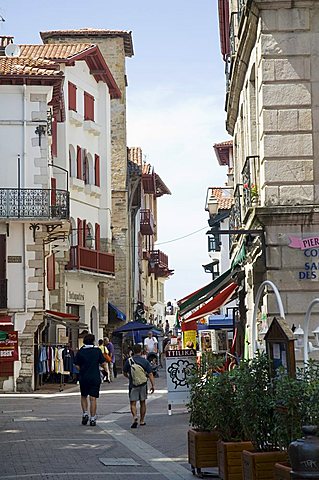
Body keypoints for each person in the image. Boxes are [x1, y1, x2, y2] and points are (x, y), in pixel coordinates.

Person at [74, 334, 108, 427]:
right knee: (93, 398)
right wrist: (105, 371)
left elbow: (76, 364)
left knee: (84, 396)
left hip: (84, 377)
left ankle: (85, 413)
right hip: (94, 377)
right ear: (93, 341)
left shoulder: (81, 351)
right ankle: (93, 418)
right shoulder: (97, 351)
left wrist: (82, 370)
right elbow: (104, 363)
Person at [123, 343, 155, 428]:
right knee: (143, 402)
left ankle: (134, 417)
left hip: (133, 384)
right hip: (143, 384)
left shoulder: (129, 361)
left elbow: (124, 372)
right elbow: (150, 373)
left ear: (133, 351)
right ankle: (142, 420)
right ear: (141, 351)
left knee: (133, 403)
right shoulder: (145, 361)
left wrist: (130, 377)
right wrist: (153, 385)